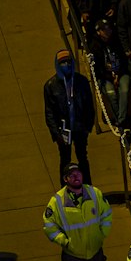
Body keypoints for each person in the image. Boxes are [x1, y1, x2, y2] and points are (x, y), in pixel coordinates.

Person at [43, 49, 94, 184]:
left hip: (80, 127)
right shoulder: (50, 86)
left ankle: (87, 186)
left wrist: (88, 126)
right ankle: (65, 188)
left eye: (69, 62)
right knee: (65, 159)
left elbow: (89, 105)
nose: (67, 65)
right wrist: (57, 134)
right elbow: (49, 114)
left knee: (82, 157)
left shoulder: (82, 82)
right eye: (63, 63)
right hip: (63, 129)